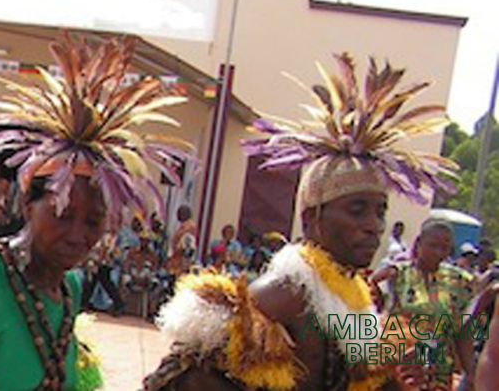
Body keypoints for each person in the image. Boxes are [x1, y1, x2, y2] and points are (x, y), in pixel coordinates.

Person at [147, 54, 455, 390]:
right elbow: (186, 376)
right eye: (356, 210)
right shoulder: (287, 294)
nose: (374, 226)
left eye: (379, 211)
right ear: (312, 220)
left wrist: (398, 383)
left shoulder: (356, 298)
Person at [0, 35, 193, 390]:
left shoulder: (70, 284)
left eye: (93, 221)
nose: (77, 234)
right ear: (27, 205)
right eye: (63, 214)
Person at [369, 220, 475, 388]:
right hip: (400, 369)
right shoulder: (395, 275)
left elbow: (463, 330)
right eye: (433, 245)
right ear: (418, 243)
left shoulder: (460, 282)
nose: (438, 252)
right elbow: (372, 316)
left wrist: (470, 373)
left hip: (439, 372)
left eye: (445, 247)